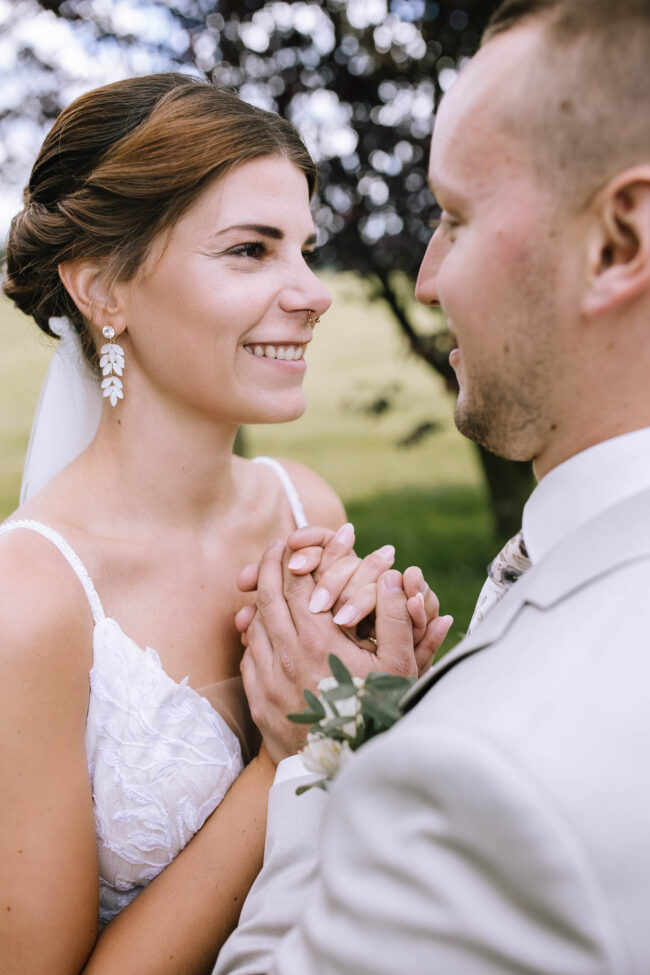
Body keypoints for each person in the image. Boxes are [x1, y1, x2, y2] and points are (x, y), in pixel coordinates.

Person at [214, 1, 650, 972]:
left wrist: (330, 743)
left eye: (452, 216)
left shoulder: (497, 787)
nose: (422, 277)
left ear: (617, 240)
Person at [0, 74, 448, 974]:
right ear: (101, 289)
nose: (313, 291)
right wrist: (291, 750)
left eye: (304, 249)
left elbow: (347, 845)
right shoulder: (31, 607)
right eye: (251, 249)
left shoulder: (303, 510)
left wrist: (395, 700)